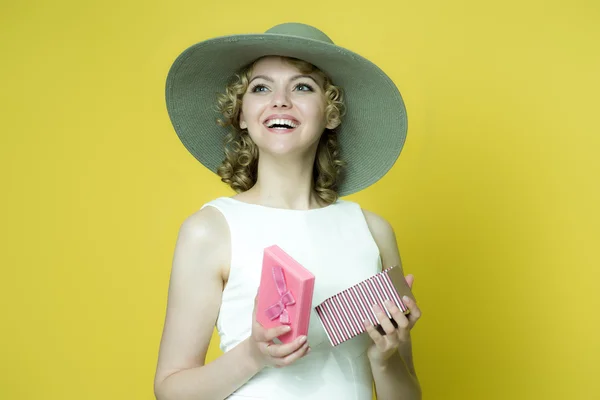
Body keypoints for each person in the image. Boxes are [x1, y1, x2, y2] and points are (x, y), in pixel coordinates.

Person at [154, 22, 422, 400]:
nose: (280, 100)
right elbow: (170, 391)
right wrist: (253, 355)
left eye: (303, 87)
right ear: (242, 115)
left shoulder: (372, 232)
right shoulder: (211, 229)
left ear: (331, 114)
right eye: (261, 87)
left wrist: (385, 358)